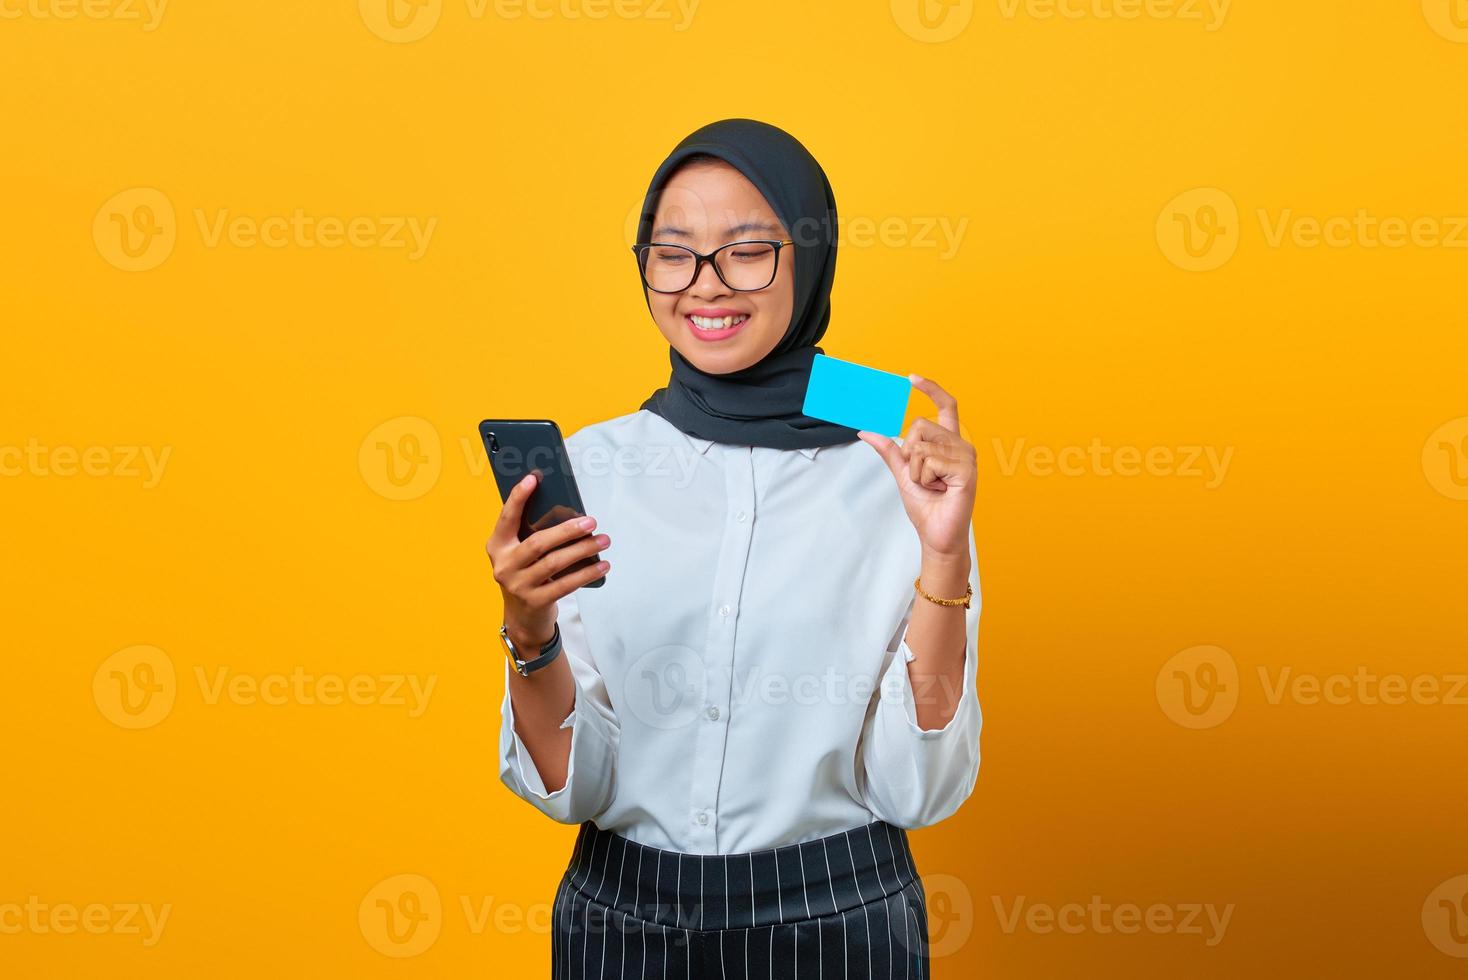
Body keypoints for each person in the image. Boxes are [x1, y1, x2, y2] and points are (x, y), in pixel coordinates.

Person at [486, 117, 982, 979]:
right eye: (672, 252)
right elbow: (576, 788)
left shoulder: (895, 456)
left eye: (748, 250)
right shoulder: (594, 465)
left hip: (840, 920)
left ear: (811, 256)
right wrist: (531, 633)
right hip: (620, 925)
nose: (704, 287)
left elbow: (917, 792)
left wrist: (946, 561)